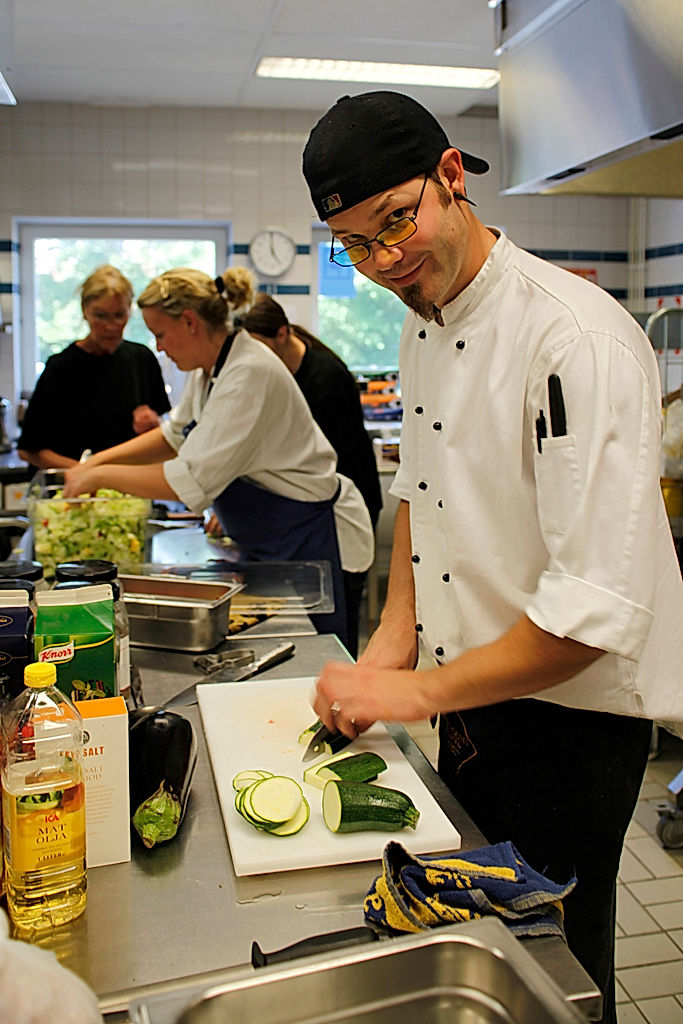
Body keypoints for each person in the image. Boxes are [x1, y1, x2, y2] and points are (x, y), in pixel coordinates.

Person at [303, 91, 683, 1024]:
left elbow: (590, 612)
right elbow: (419, 500)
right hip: (476, 701)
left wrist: (414, 695)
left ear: (451, 175)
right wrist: (393, 641)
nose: (384, 259)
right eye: (355, 243)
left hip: (569, 725)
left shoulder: (574, 339)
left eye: (396, 222)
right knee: (480, 941)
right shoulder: (420, 317)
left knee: (552, 961)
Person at [62, 266, 374, 651]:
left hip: (310, 540)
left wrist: (100, 476)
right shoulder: (213, 367)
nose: (159, 347)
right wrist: (91, 464)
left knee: (318, 658)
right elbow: (173, 436)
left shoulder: (248, 374)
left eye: (161, 334)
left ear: (190, 322)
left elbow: (184, 482)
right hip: (271, 540)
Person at [240, 294, 383, 657]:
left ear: (282, 335)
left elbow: (313, 467)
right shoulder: (275, 377)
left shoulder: (325, 378)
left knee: (338, 632)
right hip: (314, 516)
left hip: (343, 514)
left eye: (259, 349)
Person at [18, 264, 170, 469]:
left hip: (127, 487)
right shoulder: (60, 368)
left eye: (119, 315)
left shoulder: (141, 359)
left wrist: (152, 427)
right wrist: (87, 473)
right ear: (84, 312)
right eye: (100, 315)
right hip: (72, 491)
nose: (110, 326)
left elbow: (158, 441)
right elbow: (29, 450)